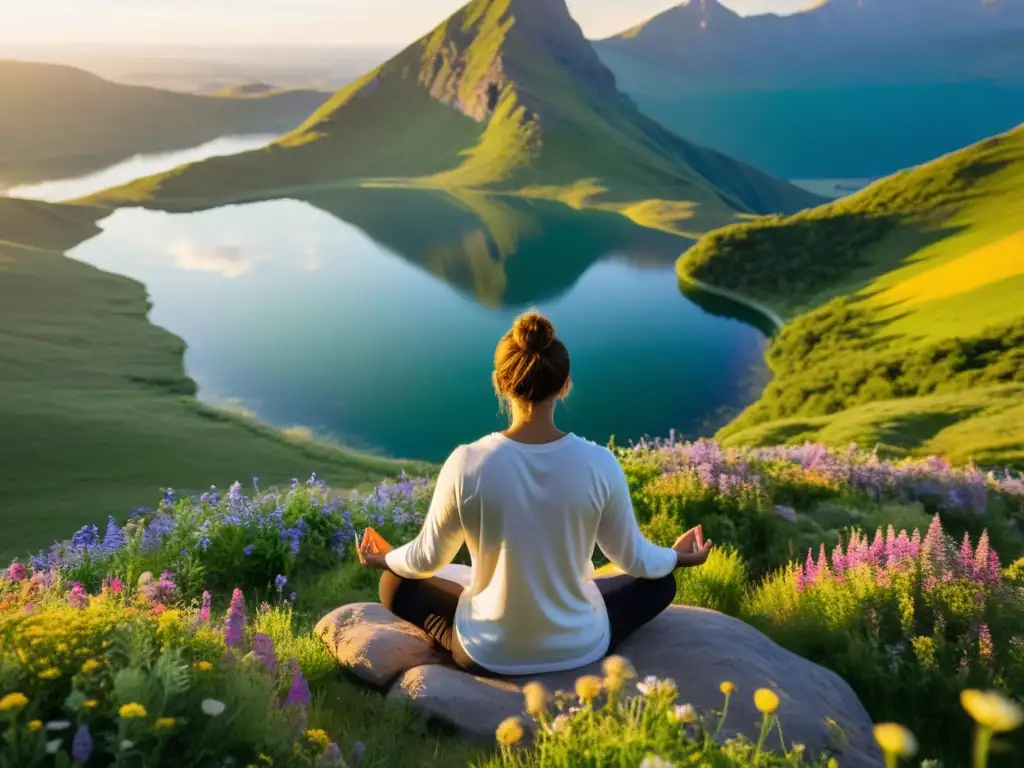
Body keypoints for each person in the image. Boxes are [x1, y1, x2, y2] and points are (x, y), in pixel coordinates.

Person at [356, 310, 713, 677]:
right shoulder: (599, 463)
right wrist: (678, 557)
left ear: (499, 383)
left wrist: (385, 558)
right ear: (564, 385)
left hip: (487, 651)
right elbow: (634, 558)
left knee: (395, 583)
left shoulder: (467, 463)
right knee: (659, 584)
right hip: (581, 646)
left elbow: (426, 558)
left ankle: (471, 648)